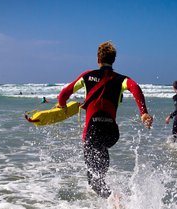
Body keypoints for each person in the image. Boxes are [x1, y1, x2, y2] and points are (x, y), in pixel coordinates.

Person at [56, 41, 153, 199]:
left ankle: (115, 200)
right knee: (99, 163)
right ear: (114, 59)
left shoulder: (87, 76)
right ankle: (108, 197)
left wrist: (61, 106)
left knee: (94, 179)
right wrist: (143, 112)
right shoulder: (122, 79)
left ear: (97, 59)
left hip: (93, 130)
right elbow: (135, 87)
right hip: (112, 133)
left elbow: (64, 93)